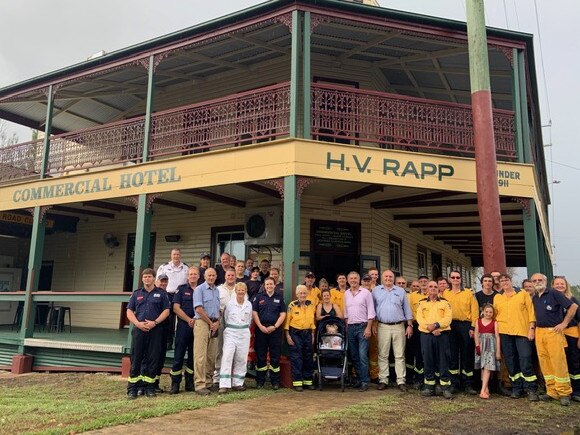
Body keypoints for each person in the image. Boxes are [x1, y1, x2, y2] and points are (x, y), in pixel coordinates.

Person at [532, 273, 578, 406]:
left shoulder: (553, 293)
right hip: (540, 332)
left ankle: (564, 392)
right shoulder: (535, 297)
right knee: (545, 361)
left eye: (540, 280)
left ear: (545, 281)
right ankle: (551, 391)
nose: (537, 282)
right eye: (535, 280)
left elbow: (573, 307)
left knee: (558, 361)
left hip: (554, 331)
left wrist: (564, 323)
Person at [126, 268, 170, 399]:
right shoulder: (136, 294)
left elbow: (166, 311)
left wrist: (155, 322)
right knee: (136, 359)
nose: (147, 279)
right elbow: (129, 311)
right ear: (142, 279)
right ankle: (133, 389)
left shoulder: (161, 294)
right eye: (145, 277)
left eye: (149, 277)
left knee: (152, 359)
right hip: (139, 330)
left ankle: (149, 388)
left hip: (155, 330)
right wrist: (138, 323)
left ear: (154, 279)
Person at [493, 273, 539, 401]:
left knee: (525, 359)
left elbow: (531, 312)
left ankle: (531, 389)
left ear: (511, 280)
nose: (504, 282)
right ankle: (517, 388)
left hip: (522, 332)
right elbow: (495, 314)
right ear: (499, 283)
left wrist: (531, 329)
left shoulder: (522, 293)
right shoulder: (497, 297)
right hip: (505, 332)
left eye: (506, 279)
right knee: (510, 361)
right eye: (501, 281)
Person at [372, 269, 413, 392]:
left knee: (399, 355)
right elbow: (372, 309)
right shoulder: (376, 291)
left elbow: (407, 309)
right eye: (386, 276)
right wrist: (373, 324)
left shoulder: (400, 291)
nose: (388, 278)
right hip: (382, 326)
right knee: (383, 355)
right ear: (382, 278)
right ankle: (383, 380)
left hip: (399, 326)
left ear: (393, 278)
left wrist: (410, 325)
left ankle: (401, 381)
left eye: (390, 276)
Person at [443, 271, 479, 394]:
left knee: (467, 354)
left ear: (461, 279)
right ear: (449, 279)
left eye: (457, 277)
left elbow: (475, 312)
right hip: (450, 325)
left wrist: (473, 328)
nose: (455, 279)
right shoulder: (445, 293)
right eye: (453, 277)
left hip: (465, 325)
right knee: (452, 355)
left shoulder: (469, 293)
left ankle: (468, 383)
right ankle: (454, 383)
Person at [416, 280, 453, 399]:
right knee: (428, 360)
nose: (433, 288)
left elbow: (448, 319)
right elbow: (420, 319)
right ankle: (429, 386)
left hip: (441, 335)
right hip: (426, 335)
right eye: (430, 286)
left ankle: (445, 387)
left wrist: (437, 325)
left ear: (438, 289)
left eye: (435, 287)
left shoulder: (445, 303)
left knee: (443, 360)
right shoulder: (422, 303)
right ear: (426, 288)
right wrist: (431, 329)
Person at [252, 277, 287, 389]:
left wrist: (275, 326)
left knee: (275, 356)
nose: (269, 286)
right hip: (261, 329)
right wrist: (260, 326)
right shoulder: (259, 297)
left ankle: (275, 382)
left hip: (275, 330)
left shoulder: (279, 298)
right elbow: (254, 313)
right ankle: (260, 381)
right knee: (261, 356)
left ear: (274, 285)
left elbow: (283, 314)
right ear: (264, 285)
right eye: (267, 284)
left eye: (271, 284)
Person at [344, 271, 376, 392]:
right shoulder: (346, 293)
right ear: (348, 280)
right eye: (351, 278)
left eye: (355, 278)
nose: (353, 280)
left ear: (359, 280)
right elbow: (346, 312)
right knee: (354, 355)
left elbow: (371, 312)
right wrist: (347, 327)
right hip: (351, 327)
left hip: (363, 326)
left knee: (363, 355)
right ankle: (359, 379)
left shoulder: (366, 293)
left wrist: (368, 327)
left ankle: (364, 381)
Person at [218, 282, 253, 394]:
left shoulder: (249, 304)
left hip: (244, 332)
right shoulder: (229, 304)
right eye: (239, 290)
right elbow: (225, 318)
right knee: (227, 356)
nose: (241, 292)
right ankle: (224, 384)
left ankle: (238, 383)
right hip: (231, 331)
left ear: (245, 291)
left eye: (243, 290)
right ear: (235, 291)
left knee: (241, 357)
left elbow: (250, 320)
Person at [192, 268, 221, 395]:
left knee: (211, 355)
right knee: (200, 356)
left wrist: (217, 323)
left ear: (216, 277)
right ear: (204, 276)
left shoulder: (217, 291)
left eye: (213, 275)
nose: (211, 277)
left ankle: (208, 382)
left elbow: (218, 309)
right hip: (203, 324)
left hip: (214, 324)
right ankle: (200, 384)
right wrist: (210, 323)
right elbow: (198, 309)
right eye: (209, 275)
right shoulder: (199, 289)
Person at [551, 276, 580, 402]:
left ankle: (577, 390)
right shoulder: (551, 300)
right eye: (557, 284)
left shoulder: (572, 300)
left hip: (572, 334)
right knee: (561, 363)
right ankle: (563, 390)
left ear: (566, 285)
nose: (559, 286)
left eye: (562, 284)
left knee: (574, 363)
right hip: (556, 335)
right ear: (552, 286)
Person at [170, 267, 198, 394]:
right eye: (191, 274)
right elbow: (176, 308)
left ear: (198, 276)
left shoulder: (201, 289)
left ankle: (189, 383)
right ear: (188, 276)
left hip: (197, 326)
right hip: (183, 326)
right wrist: (188, 319)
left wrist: (195, 320)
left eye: (195, 274)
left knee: (193, 356)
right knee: (179, 355)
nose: (192, 276)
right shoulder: (181, 289)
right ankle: (175, 384)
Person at [285, 284, 317, 391]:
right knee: (297, 357)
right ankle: (297, 382)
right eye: (301, 293)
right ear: (297, 294)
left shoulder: (311, 304)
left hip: (308, 333)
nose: (303, 295)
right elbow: (287, 322)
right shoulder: (292, 305)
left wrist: (312, 333)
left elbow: (312, 320)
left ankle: (308, 381)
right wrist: (288, 335)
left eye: (304, 293)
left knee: (308, 356)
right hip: (295, 333)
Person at [157, 248, 189, 350]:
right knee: (169, 320)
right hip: (169, 295)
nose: (176, 256)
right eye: (174, 254)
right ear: (171, 255)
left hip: (181, 296)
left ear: (180, 255)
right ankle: (168, 343)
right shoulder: (164, 267)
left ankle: (181, 343)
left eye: (178, 254)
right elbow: (158, 282)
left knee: (182, 319)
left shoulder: (186, 267)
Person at [214, 269, 239, 385]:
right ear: (225, 276)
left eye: (232, 275)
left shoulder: (239, 289)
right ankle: (217, 376)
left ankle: (231, 375)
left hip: (235, 324)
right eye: (228, 275)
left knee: (233, 350)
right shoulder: (218, 289)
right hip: (221, 322)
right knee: (219, 349)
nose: (230, 277)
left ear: (235, 276)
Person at [474, 304, 501, 399]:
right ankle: (486, 388)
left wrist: (498, 351)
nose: (488, 314)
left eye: (490, 312)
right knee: (483, 367)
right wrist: (477, 345)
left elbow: (497, 337)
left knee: (487, 367)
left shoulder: (494, 323)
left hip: (490, 346)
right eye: (486, 312)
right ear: (483, 312)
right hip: (481, 345)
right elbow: (476, 334)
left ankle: (482, 390)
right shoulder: (478, 321)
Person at [408, 276, 429, 389]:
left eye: (425, 281)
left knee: (429, 353)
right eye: (421, 282)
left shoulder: (433, 295)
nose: (423, 283)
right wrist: (410, 325)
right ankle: (419, 379)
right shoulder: (412, 296)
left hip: (429, 328)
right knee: (418, 353)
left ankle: (429, 378)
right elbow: (409, 312)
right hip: (417, 326)